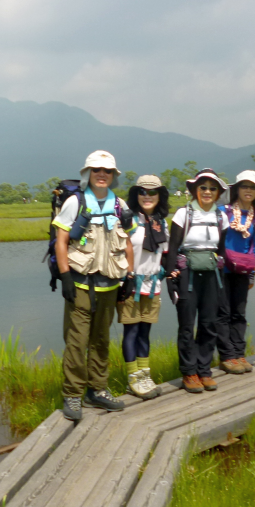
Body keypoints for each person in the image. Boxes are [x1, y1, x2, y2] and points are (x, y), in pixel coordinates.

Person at [52, 151, 135, 420]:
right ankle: (73, 396)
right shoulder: (75, 203)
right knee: (77, 342)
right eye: (97, 169)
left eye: (107, 171)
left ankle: (97, 390)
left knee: (101, 340)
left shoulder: (120, 205)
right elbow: (61, 241)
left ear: (114, 176)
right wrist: (65, 277)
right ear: (88, 173)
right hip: (79, 284)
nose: (102, 174)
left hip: (109, 285)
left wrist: (130, 277)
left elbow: (129, 242)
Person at [164, 167, 228, 393]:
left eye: (213, 188)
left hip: (211, 275)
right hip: (187, 274)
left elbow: (221, 251)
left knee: (209, 324)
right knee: (187, 325)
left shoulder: (221, 216)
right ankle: (189, 372)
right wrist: (170, 279)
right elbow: (172, 247)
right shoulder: (184, 214)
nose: (208, 191)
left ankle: (205, 370)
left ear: (219, 192)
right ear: (195, 190)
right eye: (203, 187)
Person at [118, 175, 171, 400]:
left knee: (145, 332)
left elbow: (166, 253)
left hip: (153, 284)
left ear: (160, 196)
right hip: (130, 283)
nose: (147, 196)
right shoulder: (127, 219)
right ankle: (133, 379)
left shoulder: (162, 222)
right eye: (142, 192)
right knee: (131, 331)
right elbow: (119, 250)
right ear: (135, 195)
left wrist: (166, 274)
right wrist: (124, 279)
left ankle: (145, 375)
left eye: (152, 192)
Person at [216, 170, 255, 375]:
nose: (248, 190)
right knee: (223, 313)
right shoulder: (223, 211)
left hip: (244, 270)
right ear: (236, 189)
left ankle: (239, 353)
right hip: (223, 269)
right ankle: (227, 356)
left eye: (252, 187)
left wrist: (252, 273)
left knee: (239, 313)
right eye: (244, 186)